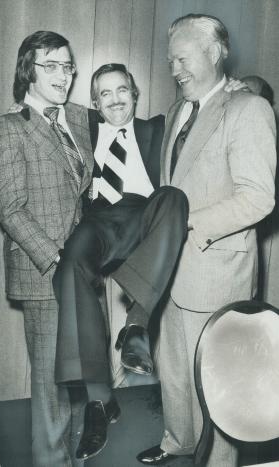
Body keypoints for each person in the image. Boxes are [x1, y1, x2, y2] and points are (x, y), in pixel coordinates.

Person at [137, 14, 277, 467]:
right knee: (175, 370)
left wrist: (187, 226)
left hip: (214, 267)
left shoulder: (249, 109)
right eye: (170, 59)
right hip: (172, 273)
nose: (174, 68)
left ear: (215, 52)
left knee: (216, 384)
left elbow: (258, 199)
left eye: (182, 57)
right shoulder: (178, 110)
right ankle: (177, 440)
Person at [52, 63, 189, 460]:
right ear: (94, 102)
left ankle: (136, 327)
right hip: (99, 219)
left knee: (175, 198)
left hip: (146, 215)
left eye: (122, 90)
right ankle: (98, 401)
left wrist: (237, 87)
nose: (115, 99)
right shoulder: (83, 128)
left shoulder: (157, 129)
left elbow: (197, 109)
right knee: (70, 267)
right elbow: (48, 114)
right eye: (105, 94)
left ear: (135, 93)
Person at [0, 31, 94, 467]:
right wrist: (58, 257)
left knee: (81, 381)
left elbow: (135, 126)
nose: (63, 75)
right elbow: (11, 210)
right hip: (46, 272)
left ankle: (77, 460)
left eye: (67, 66)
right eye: (50, 65)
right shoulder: (9, 127)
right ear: (28, 69)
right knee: (53, 388)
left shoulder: (80, 118)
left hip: (86, 272)